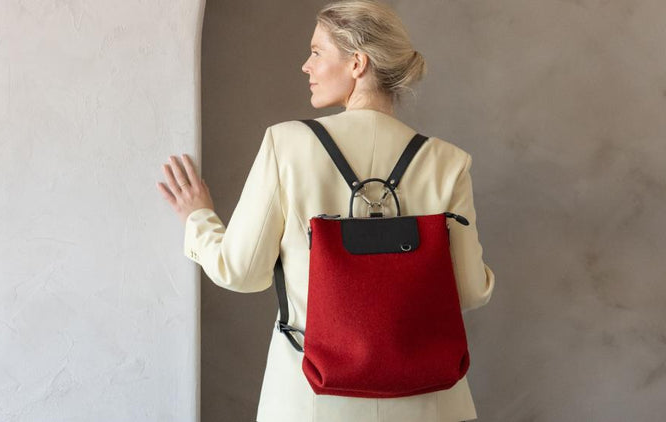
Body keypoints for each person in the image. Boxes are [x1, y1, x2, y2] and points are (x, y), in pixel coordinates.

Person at [157, 1, 495, 421]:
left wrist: (199, 218)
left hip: (312, 401)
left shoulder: (287, 145)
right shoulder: (449, 161)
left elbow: (242, 271)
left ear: (357, 63)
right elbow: (470, 290)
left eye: (317, 51)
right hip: (430, 402)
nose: (306, 65)